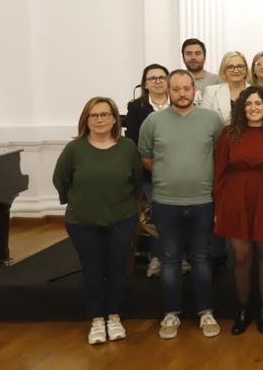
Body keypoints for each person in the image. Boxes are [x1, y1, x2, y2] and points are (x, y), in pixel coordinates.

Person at [138, 70, 224, 340]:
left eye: (187, 88)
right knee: (170, 259)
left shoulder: (212, 120)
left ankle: (206, 312)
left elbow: (220, 156)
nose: (182, 93)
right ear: (168, 90)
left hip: (203, 202)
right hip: (166, 202)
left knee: (200, 259)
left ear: (194, 90)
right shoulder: (153, 121)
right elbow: (147, 158)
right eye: (176, 89)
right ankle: (171, 313)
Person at [52, 97, 143, 345]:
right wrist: (79, 201)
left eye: (105, 114)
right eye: (94, 115)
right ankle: (96, 319)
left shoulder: (127, 147)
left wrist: (124, 204)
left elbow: (136, 182)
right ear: (86, 120)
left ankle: (113, 316)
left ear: (115, 119)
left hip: (121, 219)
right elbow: (61, 180)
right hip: (83, 221)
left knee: (116, 269)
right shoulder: (75, 149)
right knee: (93, 271)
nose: (100, 119)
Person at [213, 86, 263, 335]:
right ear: (241, 108)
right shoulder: (229, 134)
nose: (254, 108)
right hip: (235, 200)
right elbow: (220, 173)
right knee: (241, 257)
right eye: (249, 104)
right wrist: (219, 206)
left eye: (258, 104)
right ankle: (243, 310)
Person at [125, 63, 169, 277]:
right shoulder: (136, 108)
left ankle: (180, 258)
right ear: (145, 84)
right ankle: (157, 258)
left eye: (162, 77)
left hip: (179, 174)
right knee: (156, 217)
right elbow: (134, 143)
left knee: (177, 218)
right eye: (153, 78)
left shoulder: (180, 103)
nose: (158, 81)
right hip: (150, 174)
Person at [201, 51, 251, 123]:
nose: (236, 70)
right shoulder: (211, 92)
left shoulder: (256, 92)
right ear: (224, 71)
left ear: (246, 70)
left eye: (240, 66)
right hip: (219, 134)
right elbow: (204, 121)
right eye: (230, 67)